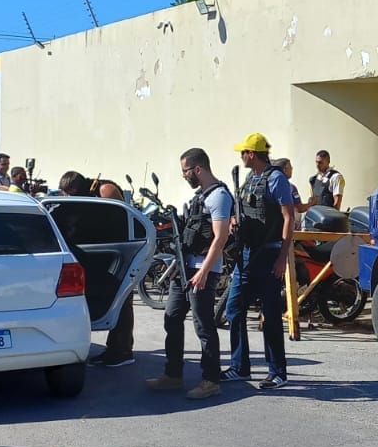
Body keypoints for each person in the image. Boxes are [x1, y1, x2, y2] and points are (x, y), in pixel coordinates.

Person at [147, 148, 233, 398]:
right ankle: (173, 374)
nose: (184, 175)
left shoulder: (218, 197)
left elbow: (221, 238)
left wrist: (205, 271)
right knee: (172, 317)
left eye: (185, 170)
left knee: (203, 325)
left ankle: (210, 380)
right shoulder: (199, 197)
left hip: (202, 270)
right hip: (185, 268)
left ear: (198, 169)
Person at [222, 132, 300, 389]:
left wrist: (282, 259)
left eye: (243, 152)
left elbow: (289, 218)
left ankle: (277, 371)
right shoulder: (248, 179)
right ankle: (239, 366)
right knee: (234, 309)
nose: (241, 156)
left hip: (269, 254)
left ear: (251, 154)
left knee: (271, 315)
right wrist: (235, 222)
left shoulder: (276, 179)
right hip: (247, 254)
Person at [91, 176, 136, 367]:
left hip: (121, 252)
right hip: (115, 252)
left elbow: (113, 218)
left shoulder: (105, 190)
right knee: (119, 304)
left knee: (122, 303)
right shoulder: (96, 192)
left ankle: (122, 351)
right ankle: (115, 348)